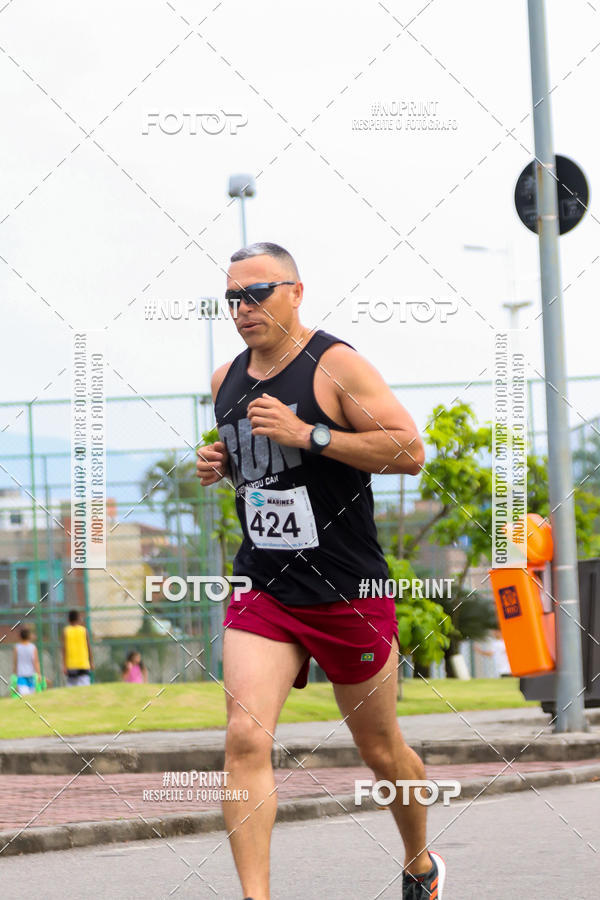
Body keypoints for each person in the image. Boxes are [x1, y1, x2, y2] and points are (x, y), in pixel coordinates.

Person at [196, 242, 446, 900]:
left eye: (257, 294)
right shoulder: (225, 380)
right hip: (265, 587)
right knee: (245, 738)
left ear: (296, 292)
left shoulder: (335, 366)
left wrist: (311, 434)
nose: (242, 309)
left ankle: (420, 861)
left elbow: (409, 450)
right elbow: (263, 474)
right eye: (232, 298)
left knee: (381, 749)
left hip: (348, 591)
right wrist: (224, 465)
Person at [62, 610, 94, 686]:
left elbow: (64, 650)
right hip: (83, 664)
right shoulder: (84, 630)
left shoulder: (66, 631)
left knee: (72, 687)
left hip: (71, 665)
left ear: (68, 620)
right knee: (85, 686)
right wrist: (91, 662)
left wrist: (64, 665)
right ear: (78, 619)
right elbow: (88, 647)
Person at [12, 627, 41, 695]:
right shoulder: (33, 647)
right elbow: (36, 662)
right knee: (31, 696)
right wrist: (39, 674)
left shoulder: (17, 647)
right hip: (31, 675)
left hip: (21, 676)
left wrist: (14, 675)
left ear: (20, 636)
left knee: (24, 696)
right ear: (29, 636)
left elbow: (15, 663)